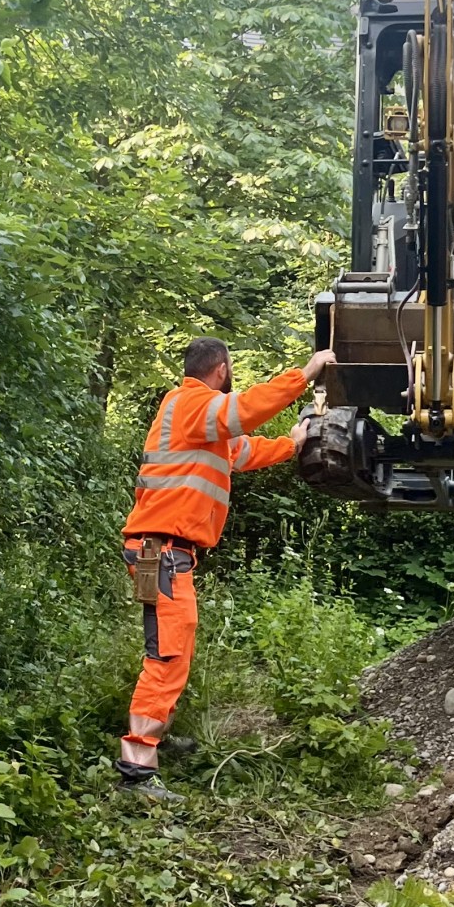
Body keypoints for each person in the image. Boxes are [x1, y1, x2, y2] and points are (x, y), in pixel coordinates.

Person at [116, 336, 335, 798]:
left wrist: (291, 444)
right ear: (221, 368)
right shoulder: (192, 404)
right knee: (167, 655)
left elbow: (242, 451)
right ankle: (137, 768)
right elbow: (245, 410)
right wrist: (306, 373)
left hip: (162, 552)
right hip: (161, 552)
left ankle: (154, 736)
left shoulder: (197, 420)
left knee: (172, 649)